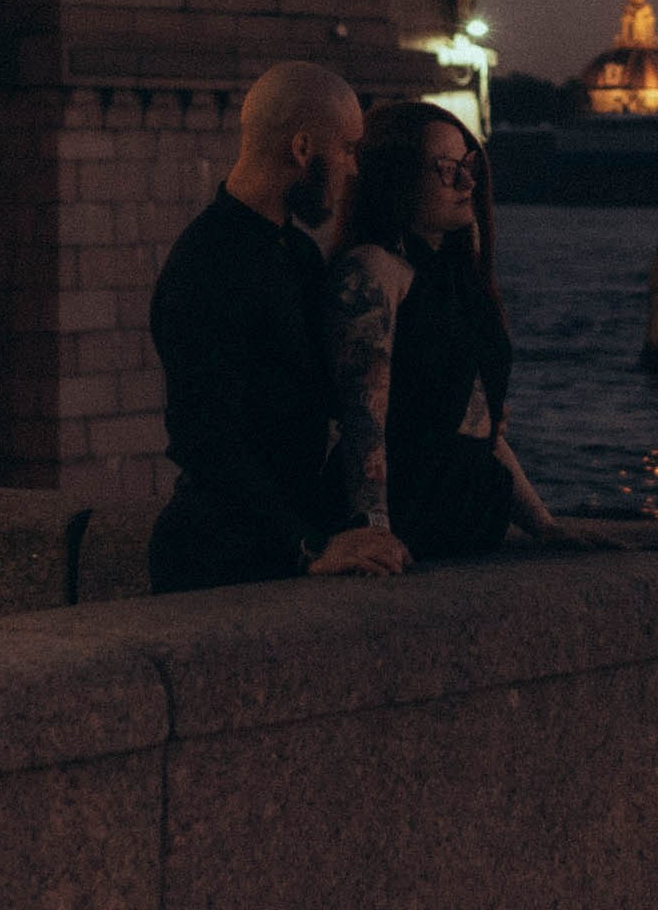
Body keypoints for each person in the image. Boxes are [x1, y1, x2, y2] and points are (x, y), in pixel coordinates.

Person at [147, 63, 411, 592]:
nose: (353, 170)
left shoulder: (297, 254)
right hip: (219, 562)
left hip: (269, 548)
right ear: (302, 149)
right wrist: (308, 546)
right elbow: (205, 437)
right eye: (347, 150)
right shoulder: (208, 262)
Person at [327, 101, 618, 559]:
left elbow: (478, 423)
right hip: (413, 517)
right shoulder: (374, 270)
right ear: (397, 177)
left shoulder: (456, 276)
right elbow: (365, 418)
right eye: (445, 169)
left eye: (468, 165)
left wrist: (544, 525)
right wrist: (374, 529)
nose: (467, 181)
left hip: (468, 517)